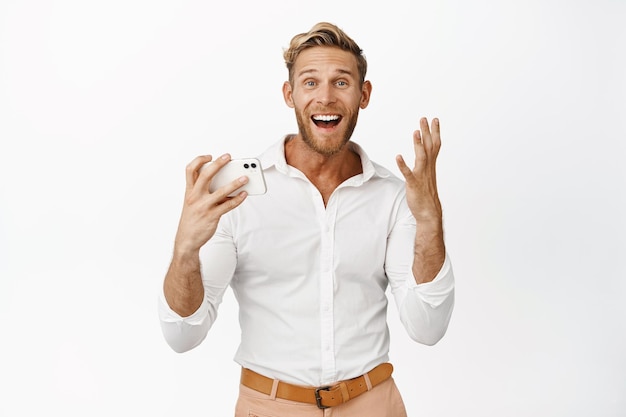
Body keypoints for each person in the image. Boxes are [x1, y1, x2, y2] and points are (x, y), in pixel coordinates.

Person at [158, 21, 455, 416]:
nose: (326, 98)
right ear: (290, 94)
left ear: (363, 95)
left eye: (342, 82)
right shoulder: (237, 197)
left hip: (372, 403)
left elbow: (427, 328)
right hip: (270, 405)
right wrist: (185, 249)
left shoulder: (393, 196)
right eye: (310, 83)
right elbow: (182, 335)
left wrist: (430, 223)